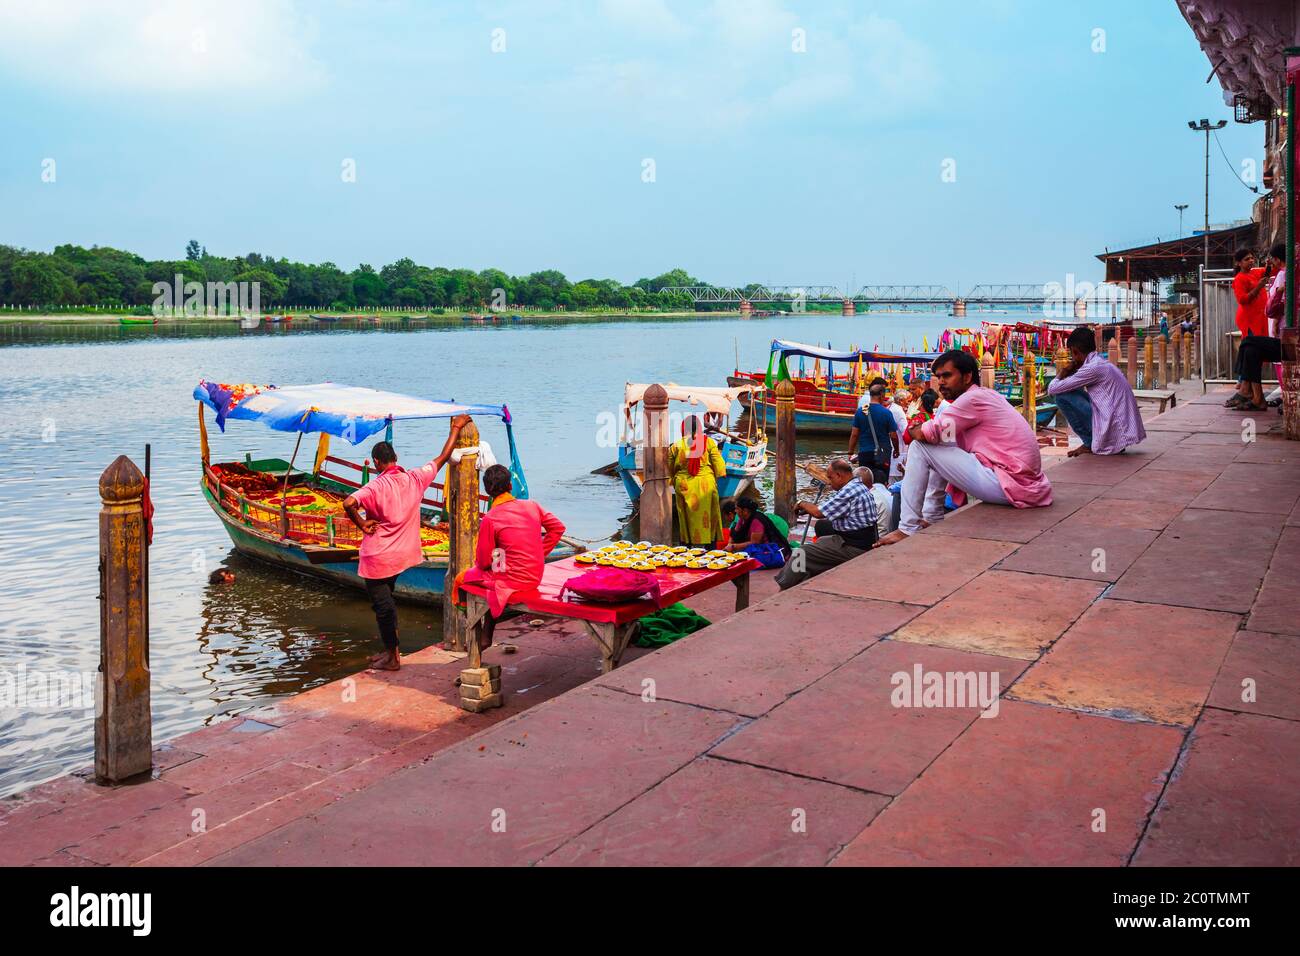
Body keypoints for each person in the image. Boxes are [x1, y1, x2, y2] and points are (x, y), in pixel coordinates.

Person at [877, 350, 1052, 546]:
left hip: (1011, 484)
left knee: (920, 446)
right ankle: (932, 515)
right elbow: (938, 435)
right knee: (940, 441)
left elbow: (923, 434)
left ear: (967, 376)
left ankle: (908, 527)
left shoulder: (972, 399)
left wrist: (914, 429)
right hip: (1024, 484)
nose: (941, 382)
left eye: (947, 375)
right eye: (939, 377)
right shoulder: (985, 395)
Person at [342, 415, 471, 671]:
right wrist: (455, 428)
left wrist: (362, 524)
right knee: (386, 601)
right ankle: (391, 650)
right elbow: (442, 457)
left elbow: (348, 503)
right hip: (402, 557)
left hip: (378, 558)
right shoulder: (415, 478)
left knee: (383, 607)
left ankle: (392, 657)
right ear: (396, 459)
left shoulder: (375, 486)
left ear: (377, 462)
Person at [462, 464, 566, 652]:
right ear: (510, 486)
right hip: (535, 576)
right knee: (499, 563)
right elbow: (558, 528)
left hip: (513, 580)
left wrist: (495, 561)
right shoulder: (532, 505)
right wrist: (539, 554)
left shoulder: (490, 518)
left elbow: (484, 561)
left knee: (462, 579)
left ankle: (476, 631)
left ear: (487, 491)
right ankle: (486, 632)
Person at [776, 459, 878, 589]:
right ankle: (803, 577)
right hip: (861, 540)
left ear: (839, 476)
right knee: (822, 539)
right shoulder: (858, 486)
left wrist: (801, 503)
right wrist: (806, 509)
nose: (829, 483)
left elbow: (818, 512)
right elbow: (829, 507)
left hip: (854, 546)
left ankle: (785, 586)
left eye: (830, 478)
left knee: (801, 552)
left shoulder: (848, 491)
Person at [1047, 326, 1146, 457]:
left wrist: (1064, 372)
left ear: (1075, 351)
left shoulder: (1092, 368)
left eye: (1072, 353)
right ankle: (1095, 440)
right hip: (1121, 428)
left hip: (1115, 428)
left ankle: (1089, 442)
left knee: (1061, 396)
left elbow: (1052, 389)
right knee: (1070, 388)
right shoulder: (1100, 363)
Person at [1225, 248, 1274, 409]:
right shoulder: (1239, 279)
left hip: (1260, 319)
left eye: (1252, 258)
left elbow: (1270, 271)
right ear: (1238, 263)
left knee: (1253, 355)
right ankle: (1249, 391)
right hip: (1249, 321)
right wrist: (1259, 287)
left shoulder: (1255, 272)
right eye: (1247, 259)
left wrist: (1268, 265)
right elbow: (1243, 300)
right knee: (1252, 355)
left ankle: (1246, 389)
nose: (1251, 261)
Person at [670, 415, 726, 546]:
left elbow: (669, 467)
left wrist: (672, 479)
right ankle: (710, 547)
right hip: (706, 483)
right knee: (710, 516)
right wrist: (721, 472)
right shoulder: (709, 442)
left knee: (685, 517)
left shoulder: (677, 445)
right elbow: (719, 464)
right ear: (700, 428)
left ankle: (686, 547)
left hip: (684, 485)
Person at [847, 383, 899, 485]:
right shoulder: (886, 412)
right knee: (882, 482)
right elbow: (893, 435)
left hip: (865, 453)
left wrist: (850, 452)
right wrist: (897, 450)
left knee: (865, 483)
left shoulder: (861, 411)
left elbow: (854, 434)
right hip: (883, 454)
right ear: (881, 395)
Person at [723, 495, 791, 565]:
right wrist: (729, 544)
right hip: (759, 545)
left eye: (737, 509)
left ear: (745, 511)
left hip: (770, 548)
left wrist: (733, 546)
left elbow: (754, 543)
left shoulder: (756, 521)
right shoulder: (742, 518)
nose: (735, 511)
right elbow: (735, 533)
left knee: (745, 561)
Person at [887, 389, 911, 481]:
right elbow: (905, 432)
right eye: (907, 401)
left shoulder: (891, 407)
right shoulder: (898, 411)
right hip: (898, 452)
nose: (909, 403)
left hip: (892, 450)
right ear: (901, 401)